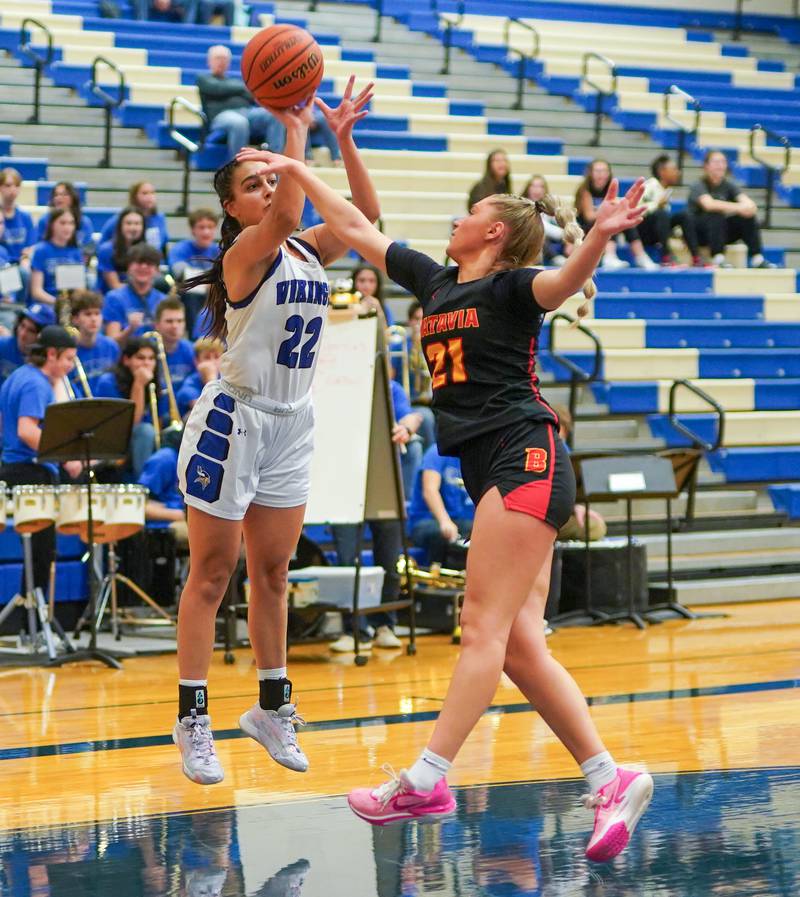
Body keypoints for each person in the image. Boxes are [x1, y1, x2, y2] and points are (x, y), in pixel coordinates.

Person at [259, 151, 654, 861]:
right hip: (495, 468)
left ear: (495, 234)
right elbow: (351, 224)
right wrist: (305, 158)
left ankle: (427, 777)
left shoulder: (510, 289)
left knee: (479, 629)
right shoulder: (436, 281)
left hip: (523, 455)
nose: (455, 218)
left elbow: (564, 283)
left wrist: (597, 234)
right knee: (519, 646)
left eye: (470, 213)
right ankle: (610, 774)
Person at [171, 76, 379, 786]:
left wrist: (342, 139)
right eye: (254, 184)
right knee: (211, 574)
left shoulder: (305, 252)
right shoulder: (244, 256)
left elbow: (365, 218)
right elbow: (289, 213)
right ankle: (192, 716)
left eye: (272, 181)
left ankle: (269, 706)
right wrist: (294, 133)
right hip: (236, 420)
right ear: (231, 207)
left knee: (273, 571)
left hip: (295, 420)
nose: (270, 189)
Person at [328, 377, 421, 654]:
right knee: (346, 561)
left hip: (383, 483)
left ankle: (386, 626)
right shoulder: (338, 384)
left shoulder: (390, 388)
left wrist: (405, 428)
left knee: (388, 559)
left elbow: (413, 416)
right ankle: (353, 629)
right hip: (344, 483)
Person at [0, 326, 82, 598]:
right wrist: (65, 458)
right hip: (31, 472)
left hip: (14, 467)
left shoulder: (18, 376)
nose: (70, 366)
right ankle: (34, 621)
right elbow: (27, 430)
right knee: (41, 552)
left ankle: (30, 620)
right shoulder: (37, 383)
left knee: (36, 552)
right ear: (51, 354)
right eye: (68, 359)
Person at [686, 149, 775, 269]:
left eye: (723, 162)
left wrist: (745, 208)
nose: (720, 165)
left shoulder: (729, 185)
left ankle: (756, 258)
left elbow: (751, 206)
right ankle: (718, 258)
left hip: (720, 233)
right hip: (699, 233)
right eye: (716, 162)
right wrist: (739, 207)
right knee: (716, 213)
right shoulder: (698, 185)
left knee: (747, 216)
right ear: (706, 166)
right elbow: (709, 205)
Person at [197, 45, 283, 164]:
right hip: (222, 116)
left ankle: (275, 159)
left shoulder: (235, 82)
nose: (221, 62)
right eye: (218, 58)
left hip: (247, 112)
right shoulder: (203, 78)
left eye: (224, 59)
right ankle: (238, 166)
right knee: (239, 122)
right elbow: (217, 88)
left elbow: (252, 96)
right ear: (209, 61)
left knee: (274, 114)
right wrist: (242, 89)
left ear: (229, 63)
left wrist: (241, 90)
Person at [94, 338, 164, 476]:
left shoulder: (155, 384)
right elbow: (130, 424)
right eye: (141, 358)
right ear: (126, 360)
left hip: (142, 444)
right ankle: (144, 486)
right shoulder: (108, 382)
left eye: (151, 359)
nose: (147, 363)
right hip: (113, 441)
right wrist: (138, 385)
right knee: (145, 431)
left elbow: (159, 422)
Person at [576, 159, 656, 270]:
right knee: (611, 219)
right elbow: (588, 217)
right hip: (585, 228)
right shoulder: (585, 190)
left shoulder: (610, 189)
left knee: (625, 221)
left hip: (602, 225)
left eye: (604, 171)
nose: (601, 175)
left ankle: (640, 256)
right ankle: (609, 256)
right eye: (597, 171)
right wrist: (607, 211)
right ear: (590, 173)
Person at [408, 444, 474, 565]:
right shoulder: (436, 451)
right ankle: (435, 580)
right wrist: (445, 521)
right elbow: (429, 490)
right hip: (426, 521)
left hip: (460, 521)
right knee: (443, 534)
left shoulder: (472, 456)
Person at [550, 405, 606, 542]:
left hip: (560, 510)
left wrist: (575, 507)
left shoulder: (564, 450)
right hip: (544, 513)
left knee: (596, 526)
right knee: (595, 528)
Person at [168, 209, 219, 335]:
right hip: (189, 294)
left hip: (214, 293)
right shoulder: (181, 249)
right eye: (201, 227)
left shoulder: (220, 250)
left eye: (210, 227)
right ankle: (194, 336)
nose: (206, 232)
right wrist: (209, 281)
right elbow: (180, 273)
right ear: (193, 230)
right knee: (192, 292)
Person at [103, 244, 167, 346]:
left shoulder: (163, 301)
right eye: (138, 262)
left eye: (149, 264)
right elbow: (111, 343)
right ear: (128, 267)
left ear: (157, 270)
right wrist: (131, 329)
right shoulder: (114, 298)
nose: (143, 267)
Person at [638, 155, 695, 268]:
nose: (678, 172)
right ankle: (666, 258)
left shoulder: (665, 190)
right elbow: (635, 209)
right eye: (674, 169)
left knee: (683, 216)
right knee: (661, 214)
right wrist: (656, 205)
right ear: (662, 171)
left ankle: (696, 257)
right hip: (642, 231)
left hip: (657, 231)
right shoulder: (650, 186)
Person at [28, 209, 85, 306]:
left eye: (71, 223)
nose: (68, 227)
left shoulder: (76, 252)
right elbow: (36, 291)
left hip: (70, 304)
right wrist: (58, 303)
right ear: (52, 225)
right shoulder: (41, 250)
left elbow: (80, 289)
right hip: (46, 303)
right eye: (62, 223)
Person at [69, 290, 120, 394]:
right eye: (88, 314)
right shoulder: (69, 351)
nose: (93, 319)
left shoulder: (111, 346)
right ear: (75, 319)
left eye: (97, 314)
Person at [99, 182, 169, 252]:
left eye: (152, 193)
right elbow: (103, 242)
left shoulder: (160, 218)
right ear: (134, 196)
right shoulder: (120, 219)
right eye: (144, 193)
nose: (150, 196)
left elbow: (163, 245)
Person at [0, 303, 56, 385]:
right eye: (22, 326)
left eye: (31, 331)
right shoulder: (3, 345)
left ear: (42, 336)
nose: (22, 334)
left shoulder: (49, 361)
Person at [95, 206, 147, 295]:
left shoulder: (147, 251)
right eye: (128, 223)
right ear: (120, 226)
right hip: (110, 298)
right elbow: (115, 286)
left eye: (137, 224)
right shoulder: (107, 250)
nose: (133, 228)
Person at [152, 296, 196, 393]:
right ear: (156, 325)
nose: (175, 326)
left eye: (180, 321)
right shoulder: (147, 352)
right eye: (169, 321)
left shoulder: (192, 350)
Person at [521, 175, 567, 266]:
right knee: (537, 230)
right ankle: (554, 258)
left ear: (545, 190)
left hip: (549, 241)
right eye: (533, 186)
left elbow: (563, 223)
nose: (537, 190)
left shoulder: (550, 206)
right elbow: (543, 227)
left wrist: (568, 238)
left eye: (540, 186)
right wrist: (563, 234)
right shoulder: (523, 206)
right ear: (528, 189)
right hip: (528, 242)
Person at [35, 181, 94, 252]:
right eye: (56, 195)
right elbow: (37, 246)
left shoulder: (84, 222)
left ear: (73, 198)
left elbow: (88, 248)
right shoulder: (44, 220)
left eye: (64, 194)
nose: (59, 198)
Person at [176, 337, 223, 417]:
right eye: (207, 358)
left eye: (216, 357)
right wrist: (211, 379)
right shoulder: (190, 383)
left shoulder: (226, 380)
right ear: (197, 361)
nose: (212, 362)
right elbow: (209, 411)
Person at [0, 168, 35, 274]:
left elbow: (30, 246)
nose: (13, 189)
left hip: (21, 264)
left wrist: (26, 257)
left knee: (27, 270)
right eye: (8, 185)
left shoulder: (25, 217)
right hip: (3, 264)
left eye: (17, 185)